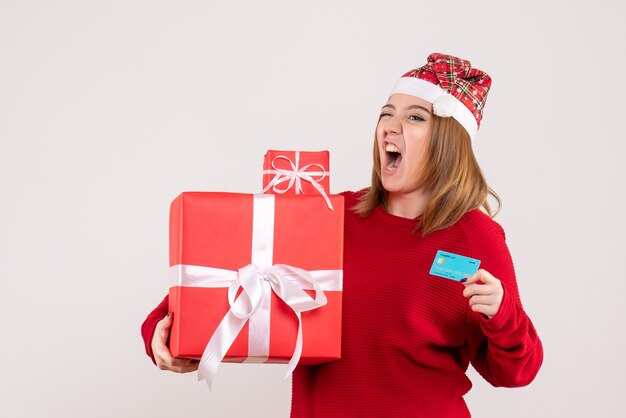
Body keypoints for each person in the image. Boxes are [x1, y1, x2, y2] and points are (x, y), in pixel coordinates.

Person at [141, 53, 543, 417]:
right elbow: (212, 287)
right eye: (387, 114)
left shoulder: (475, 237)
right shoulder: (328, 217)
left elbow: (515, 372)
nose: (391, 127)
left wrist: (502, 314)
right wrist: (161, 332)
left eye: (415, 117)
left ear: (449, 142)